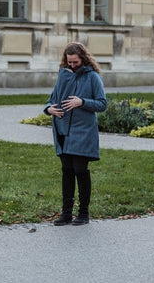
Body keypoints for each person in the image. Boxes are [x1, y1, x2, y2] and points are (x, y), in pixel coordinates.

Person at [43, 42, 107, 226]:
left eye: (75, 62)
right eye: (69, 62)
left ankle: (84, 213)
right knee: (67, 171)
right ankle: (66, 213)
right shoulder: (64, 76)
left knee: (80, 170)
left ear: (83, 59)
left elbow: (102, 104)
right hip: (63, 129)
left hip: (83, 131)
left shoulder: (93, 77)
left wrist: (82, 102)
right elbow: (50, 101)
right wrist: (50, 110)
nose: (72, 65)